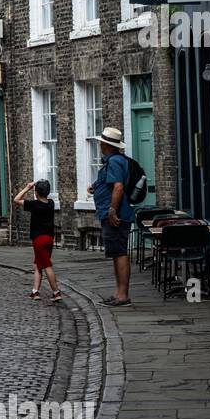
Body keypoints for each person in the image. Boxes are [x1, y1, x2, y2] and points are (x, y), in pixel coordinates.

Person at [87, 126, 136, 306]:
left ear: (106, 145)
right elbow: (111, 184)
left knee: (120, 253)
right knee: (116, 253)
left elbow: (118, 187)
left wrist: (112, 210)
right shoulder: (114, 161)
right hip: (112, 213)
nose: (99, 144)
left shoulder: (114, 161)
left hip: (116, 215)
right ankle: (118, 293)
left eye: (101, 142)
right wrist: (96, 187)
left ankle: (123, 295)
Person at [14, 179, 62, 302]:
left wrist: (27, 188)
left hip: (39, 239)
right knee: (37, 265)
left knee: (47, 265)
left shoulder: (34, 205)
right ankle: (35, 292)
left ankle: (56, 292)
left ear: (36, 192)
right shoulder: (51, 203)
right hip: (49, 239)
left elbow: (16, 199)